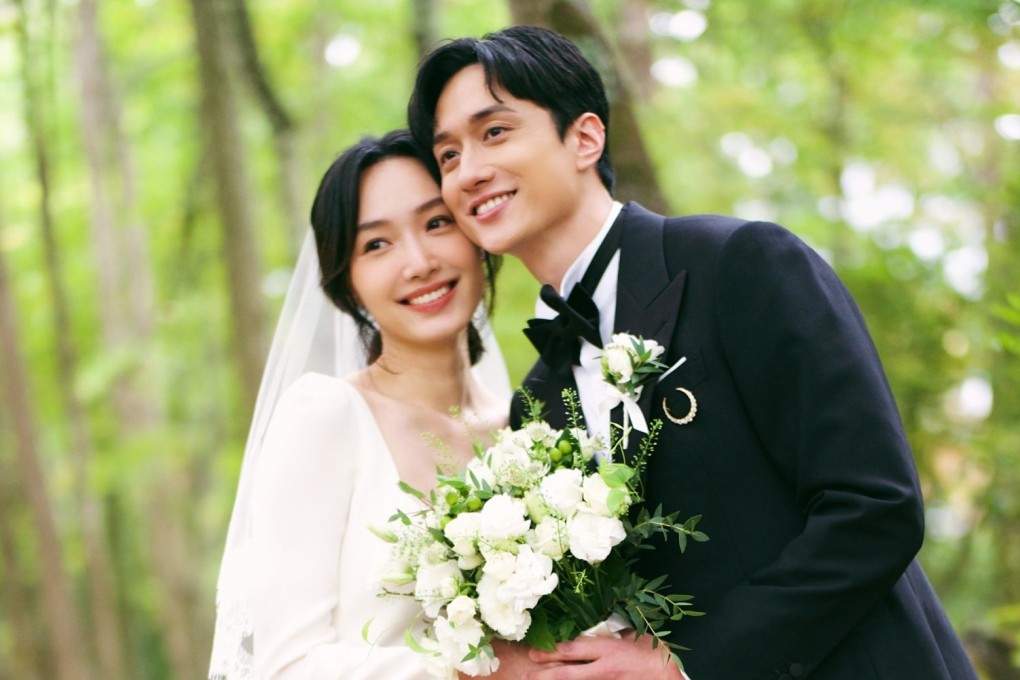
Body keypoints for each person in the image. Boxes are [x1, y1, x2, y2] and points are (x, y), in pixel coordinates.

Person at [407, 25, 978, 680]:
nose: (469, 171)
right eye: (448, 156)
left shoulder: (741, 265)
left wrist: (692, 667)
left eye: (495, 133)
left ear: (585, 138)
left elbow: (875, 507)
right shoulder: (537, 399)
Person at [208, 130, 510, 680]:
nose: (418, 262)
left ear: (476, 233)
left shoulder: (529, 431)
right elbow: (289, 665)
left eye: (436, 222)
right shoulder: (325, 417)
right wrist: (480, 672)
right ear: (347, 286)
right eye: (377, 244)